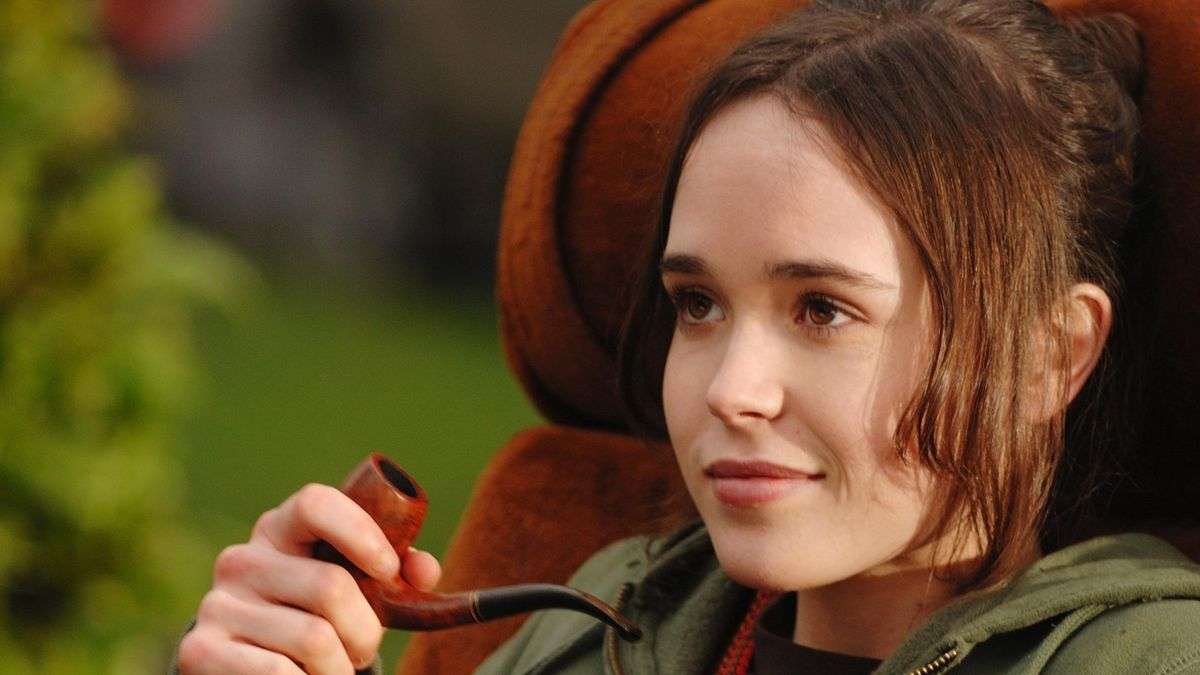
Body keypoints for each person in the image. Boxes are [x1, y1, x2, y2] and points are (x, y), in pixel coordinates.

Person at [175, 1, 1200, 673]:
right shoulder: (598, 628)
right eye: (698, 303)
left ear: (1049, 355)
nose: (728, 388)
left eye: (823, 309)